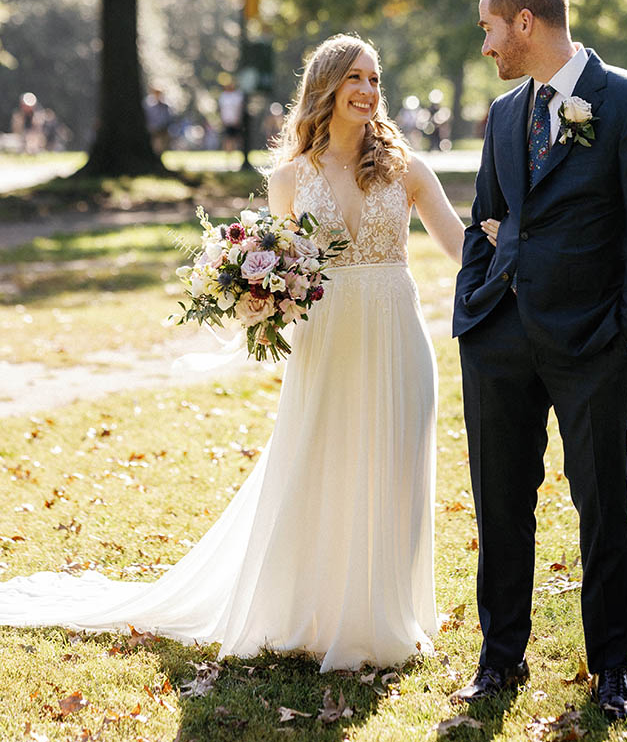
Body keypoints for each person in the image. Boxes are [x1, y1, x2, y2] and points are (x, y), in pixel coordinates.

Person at [0, 34, 497, 673]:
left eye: (376, 80)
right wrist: (256, 291)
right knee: (322, 460)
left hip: (395, 328)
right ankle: (314, 612)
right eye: (356, 78)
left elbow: (461, 250)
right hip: (327, 337)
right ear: (326, 87)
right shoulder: (289, 178)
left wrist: (501, 242)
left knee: (393, 460)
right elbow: (283, 262)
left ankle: (383, 615)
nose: (369, 91)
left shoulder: (407, 170)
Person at [453, 0, 627, 718]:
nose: (485, 45)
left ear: (523, 22)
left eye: (488, 27)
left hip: (592, 342)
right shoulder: (503, 112)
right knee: (500, 502)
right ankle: (498, 661)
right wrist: (473, 314)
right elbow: (484, 218)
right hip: (499, 338)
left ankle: (611, 670)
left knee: (601, 503)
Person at [219, 80, 245, 151]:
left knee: (237, 137)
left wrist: (238, 119)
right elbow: (222, 109)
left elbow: (239, 108)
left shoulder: (237, 96)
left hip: (236, 120)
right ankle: (228, 151)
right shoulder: (223, 96)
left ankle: (237, 150)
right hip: (227, 120)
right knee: (228, 137)